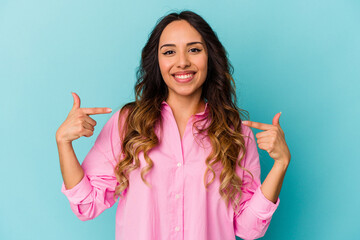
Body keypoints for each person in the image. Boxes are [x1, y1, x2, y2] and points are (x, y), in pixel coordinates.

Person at [56, 10, 291, 240]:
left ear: (210, 57)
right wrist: (64, 143)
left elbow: (249, 229)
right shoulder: (128, 123)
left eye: (194, 50)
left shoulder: (236, 133)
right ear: (157, 61)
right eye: (169, 52)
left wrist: (280, 164)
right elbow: (86, 206)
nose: (182, 62)